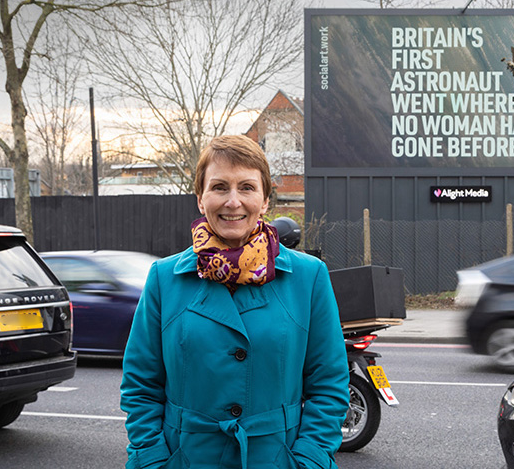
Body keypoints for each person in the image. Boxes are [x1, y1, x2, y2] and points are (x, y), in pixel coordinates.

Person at [121, 135, 349, 469]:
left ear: (265, 199)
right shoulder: (164, 278)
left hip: (276, 460)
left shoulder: (308, 276)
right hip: (186, 460)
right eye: (219, 187)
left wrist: (309, 459)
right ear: (201, 198)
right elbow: (140, 383)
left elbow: (328, 382)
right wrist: (152, 459)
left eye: (246, 187)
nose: (233, 201)